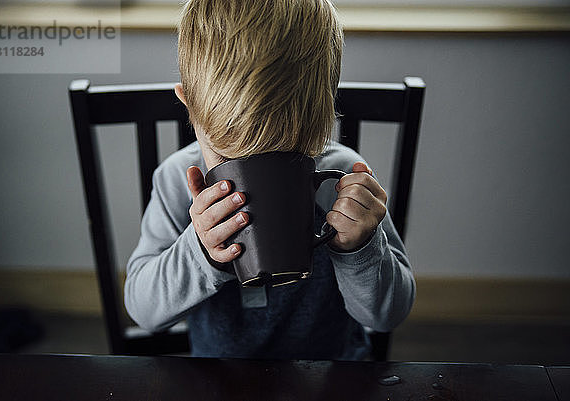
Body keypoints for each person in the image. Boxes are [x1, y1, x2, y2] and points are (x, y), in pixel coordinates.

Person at [124, 0, 415, 360]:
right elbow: (143, 311)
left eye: (289, 159)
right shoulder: (176, 182)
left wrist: (360, 250)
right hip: (218, 379)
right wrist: (200, 253)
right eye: (228, 158)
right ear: (190, 106)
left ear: (325, 107)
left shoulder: (343, 178)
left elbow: (389, 316)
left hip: (331, 374)